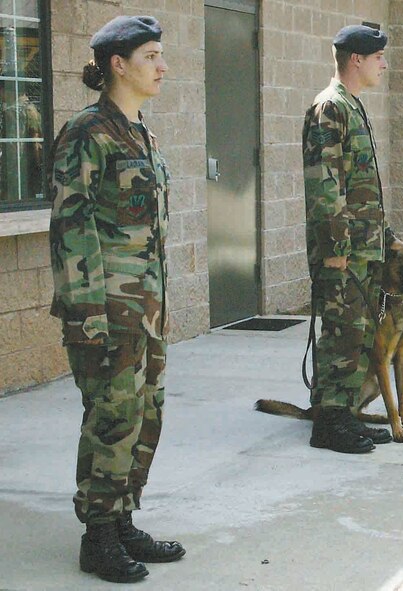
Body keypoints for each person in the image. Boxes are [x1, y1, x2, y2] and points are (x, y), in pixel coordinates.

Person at [48, 16, 184, 584]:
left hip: (146, 309)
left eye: (161, 55)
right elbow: (71, 227)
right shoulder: (87, 132)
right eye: (151, 56)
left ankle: (124, 517)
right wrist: (88, 316)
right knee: (111, 417)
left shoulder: (142, 133)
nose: (162, 66)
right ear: (117, 65)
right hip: (105, 309)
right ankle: (98, 536)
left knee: (144, 414)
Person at [302, 24, 401, 454]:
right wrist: (337, 248)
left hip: (362, 247)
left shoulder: (351, 106)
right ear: (355, 60)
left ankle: (344, 415)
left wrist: (383, 237)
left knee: (355, 334)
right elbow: (325, 186)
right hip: (343, 250)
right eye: (377, 56)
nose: (384, 63)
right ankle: (328, 423)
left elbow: (360, 185)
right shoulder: (330, 108)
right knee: (340, 333)